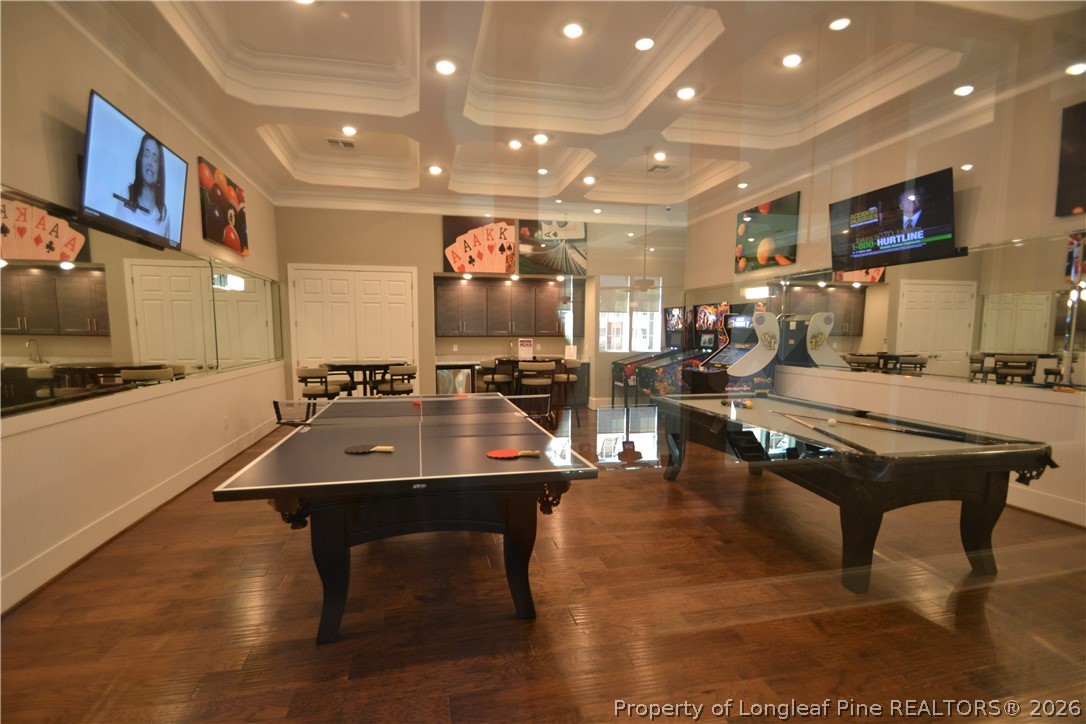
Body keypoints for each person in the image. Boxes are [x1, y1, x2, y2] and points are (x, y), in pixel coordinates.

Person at [114, 133, 171, 238]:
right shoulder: (125, 195)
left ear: (160, 169)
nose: (150, 162)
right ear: (140, 160)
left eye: (155, 159)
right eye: (146, 155)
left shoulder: (164, 215)